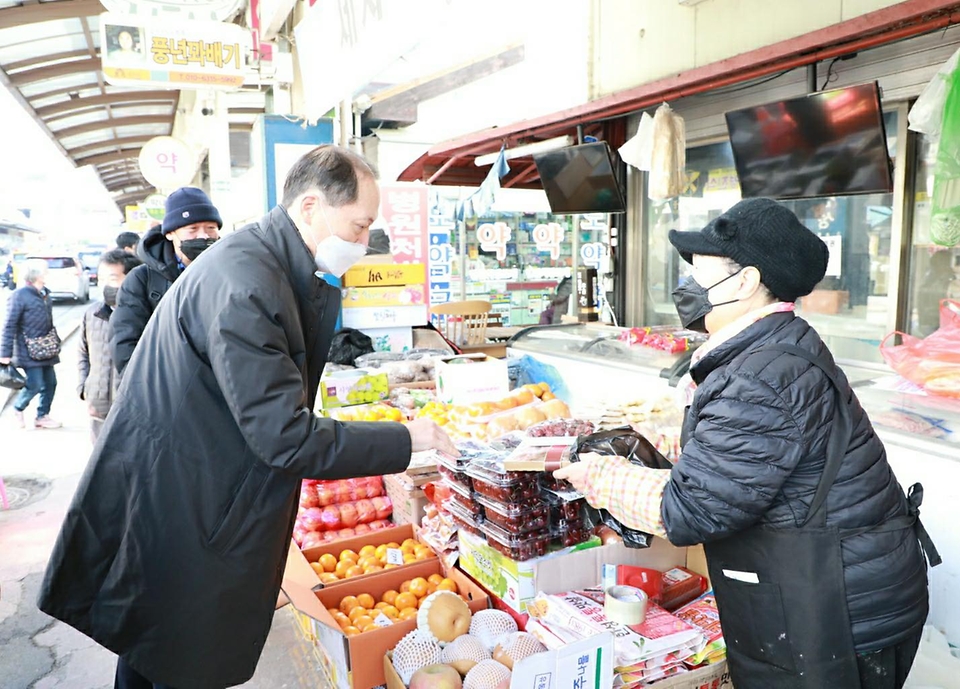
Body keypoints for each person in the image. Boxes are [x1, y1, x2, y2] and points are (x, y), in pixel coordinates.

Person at [38, 145, 458, 689]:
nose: (360, 242)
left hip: (191, 490)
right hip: (187, 501)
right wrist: (409, 437)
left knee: (156, 650)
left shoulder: (268, 263)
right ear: (310, 207)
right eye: (358, 225)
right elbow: (284, 436)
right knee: (176, 655)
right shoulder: (248, 281)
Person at [555, 198, 937, 689]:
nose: (687, 285)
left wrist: (599, 477)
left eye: (700, 272)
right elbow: (755, 452)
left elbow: (692, 510)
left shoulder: (762, 374)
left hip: (838, 614)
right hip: (836, 588)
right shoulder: (773, 348)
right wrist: (657, 442)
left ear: (746, 282)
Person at [111, 187, 221, 376]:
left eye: (211, 228)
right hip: (166, 388)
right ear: (170, 234)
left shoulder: (228, 273)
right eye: (192, 229)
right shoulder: (142, 280)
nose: (203, 236)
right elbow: (125, 345)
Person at [77, 250, 142, 441]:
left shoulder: (148, 315)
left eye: (112, 278)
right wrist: (84, 390)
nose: (105, 284)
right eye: (101, 278)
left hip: (134, 410)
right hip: (99, 408)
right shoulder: (92, 314)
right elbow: (83, 354)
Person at [0, 259, 62, 429]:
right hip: (27, 349)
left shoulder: (44, 293)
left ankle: (42, 416)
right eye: (45, 271)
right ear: (36, 274)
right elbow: (9, 325)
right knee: (35, 383)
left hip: (47, 348)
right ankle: (18, 407)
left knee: (51, 383)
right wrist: (4, 354)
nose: (47, 274)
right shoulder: (19, 295)